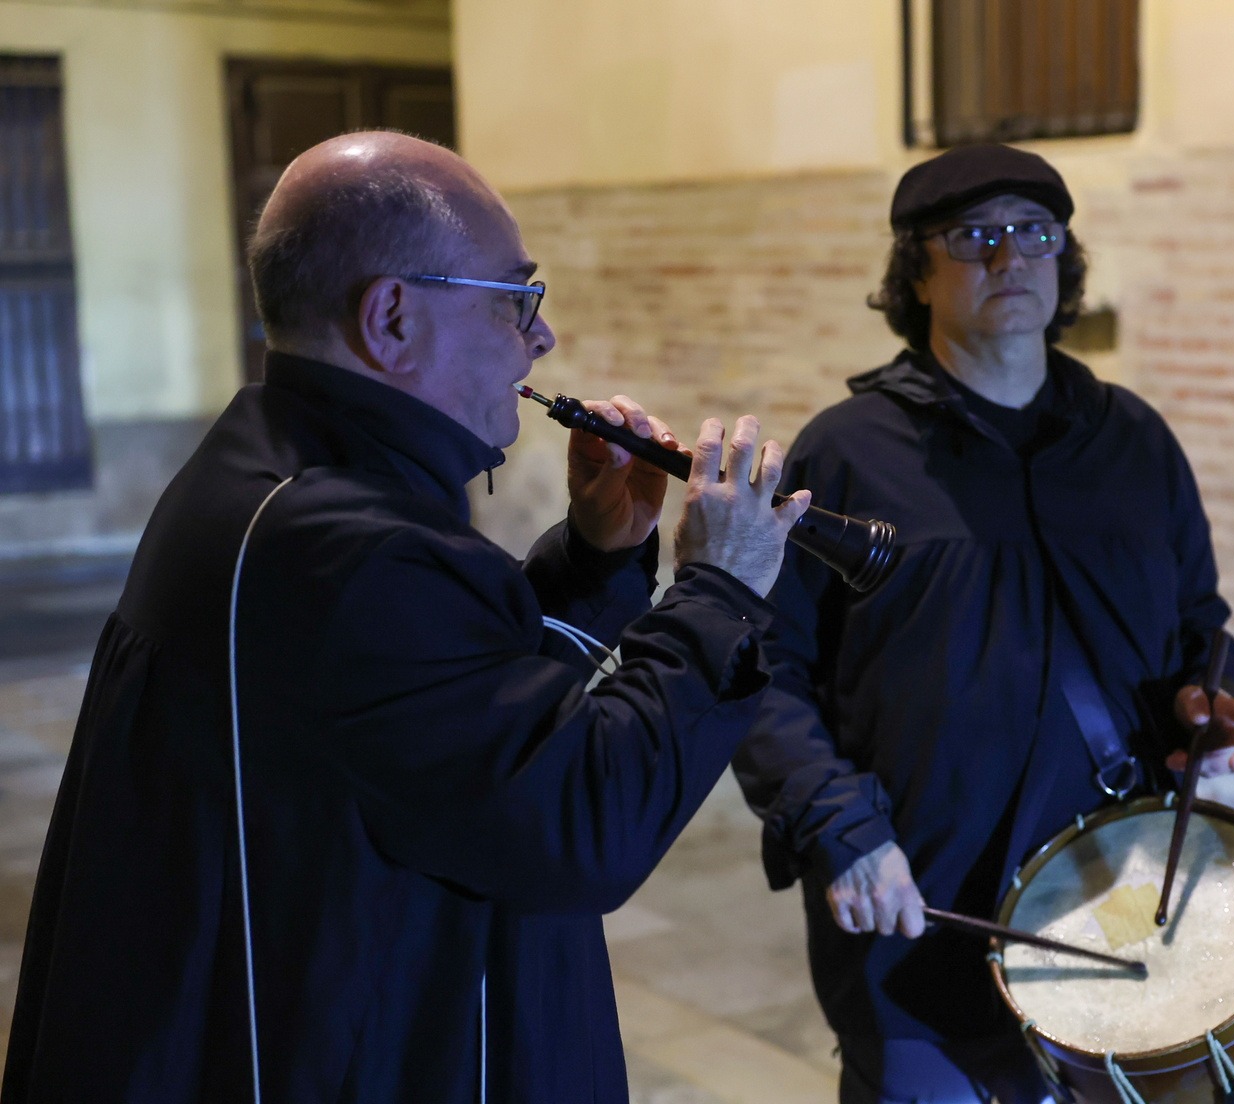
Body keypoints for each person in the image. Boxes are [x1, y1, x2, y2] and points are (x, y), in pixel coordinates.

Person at [2, 131, 809, 1103]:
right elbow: (578, 823)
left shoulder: (276, 471)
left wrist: (595, 559)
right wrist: (721, 589)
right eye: (516, 298)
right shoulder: (347, 547)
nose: (542, 338)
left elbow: (452, 723)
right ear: (391, 318)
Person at [734, 144, 1234, 1104]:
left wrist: (1223, 699)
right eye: (972, 236)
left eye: (1035, 232)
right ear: (916, 272)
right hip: (927, 916)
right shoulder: (847, 454)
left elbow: (1200, 620)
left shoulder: (1134, 441)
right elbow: (764, 668)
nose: (1009, 256)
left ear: (1065, 258)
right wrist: (842, 829)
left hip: (1122, 905)